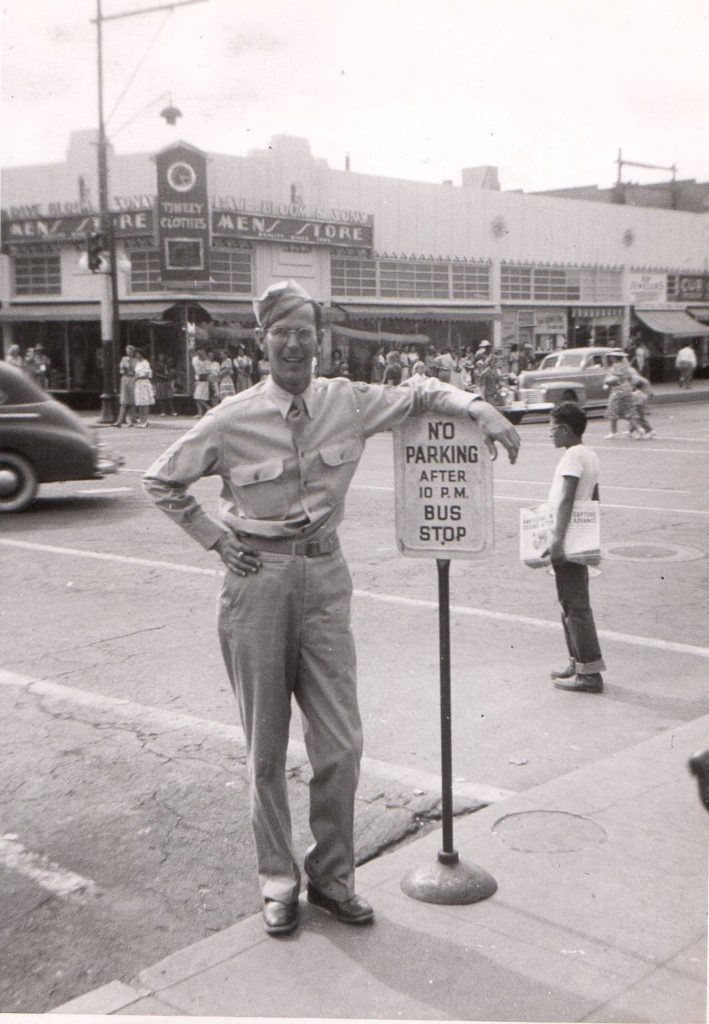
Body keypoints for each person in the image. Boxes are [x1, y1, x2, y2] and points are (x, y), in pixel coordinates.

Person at [143, 279, 520, 938]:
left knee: (340, 745)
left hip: (324, 577)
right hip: (256, 583)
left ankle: (333, 878)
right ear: (263, 342)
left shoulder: (345, 401)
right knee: (265, 749)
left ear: (319, 341)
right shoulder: (230, 418)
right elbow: (161, 478)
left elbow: (423, 391)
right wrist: (214, 538)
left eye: (304, 332)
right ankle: (278, 881)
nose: (294, 343)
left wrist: (478, 405)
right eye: (280, 332)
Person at [544, 402, 605, 694]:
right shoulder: (589, 455)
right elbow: (594, 496)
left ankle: (589, 673)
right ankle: (578, 662)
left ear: (566, 430)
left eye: (552, 427)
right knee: (571, 602)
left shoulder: (570, 457)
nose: (549, 433)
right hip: (579, 536)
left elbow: (567, 500)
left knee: (575, 605)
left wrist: (557, 540)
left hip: (567, 537)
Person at [603, 366, 639, 438]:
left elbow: (608, 383)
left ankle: (614, 431)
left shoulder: (618, 372)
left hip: (618, 395)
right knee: (629, 414)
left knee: (614, 414)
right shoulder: (627, 370)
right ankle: (637, 429)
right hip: (626, 394)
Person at [113, 345, 137, 427]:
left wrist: (134, 374)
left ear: (133, 352)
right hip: (125, 379)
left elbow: (137, 371)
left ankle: (131, 421)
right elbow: (121, 369)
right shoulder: (124, 359)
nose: (128, 352)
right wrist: (123, 370)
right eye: (127, 351)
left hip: (132, 379)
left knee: (132, 401)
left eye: (130, 351)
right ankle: (119, 421)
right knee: (124, 401)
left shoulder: (136, 360)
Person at [133, 349, 155, 428]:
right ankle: (141, 420)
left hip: (144, 383)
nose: (137, 355)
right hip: (138, 384)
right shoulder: (137, 363)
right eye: (136, 354)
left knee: (145, 402)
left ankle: (145, 420)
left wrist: (138, 377)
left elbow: (147, 374)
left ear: (142, 354)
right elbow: (136, 373)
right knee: (140, 403)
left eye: (138, 354)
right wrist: (135, 378)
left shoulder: (145, 363)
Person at [192, 347, 212, 417]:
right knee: (197, 397)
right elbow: (195, 369)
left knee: (198, 397)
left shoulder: (207, 362)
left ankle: (208, 407)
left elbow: (209, 372)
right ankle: (200, 413)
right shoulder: (195, 360)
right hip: (198, 380)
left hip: (204, 381)